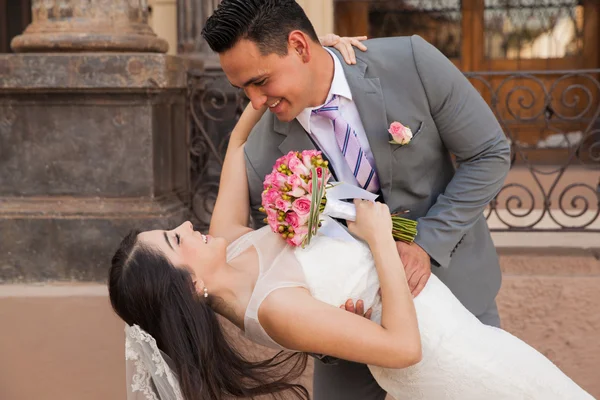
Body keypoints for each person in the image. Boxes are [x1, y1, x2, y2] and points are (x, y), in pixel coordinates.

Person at [109, 97, 594, 400]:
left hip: (464, 332)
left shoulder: (232, 248)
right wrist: (382, 239)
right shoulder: (274, 310)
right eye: (175, 240)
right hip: (450, 358)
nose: (188, 225)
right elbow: (403, 349)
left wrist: (301, 74)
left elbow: (236, 145)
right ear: (191, 283)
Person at [200, 1, 512, 397]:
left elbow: (489, 154)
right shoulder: (262, 153)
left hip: (458, 292)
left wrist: (425, 244)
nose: (256, 101)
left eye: (261, 81)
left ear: (299, 46)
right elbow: (279, 258)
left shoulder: (409, 62)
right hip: (353, 332)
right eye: (242, 89)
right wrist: (331, 302)